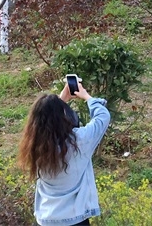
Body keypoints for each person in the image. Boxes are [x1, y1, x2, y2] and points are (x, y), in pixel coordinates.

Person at [18, 79, 111, 226]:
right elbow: (102, 117)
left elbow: (47, 119)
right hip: (75, 220)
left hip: (45, 220)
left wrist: (60, 101)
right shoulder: (79, 141)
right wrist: (87, 96)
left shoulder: (34, 145)